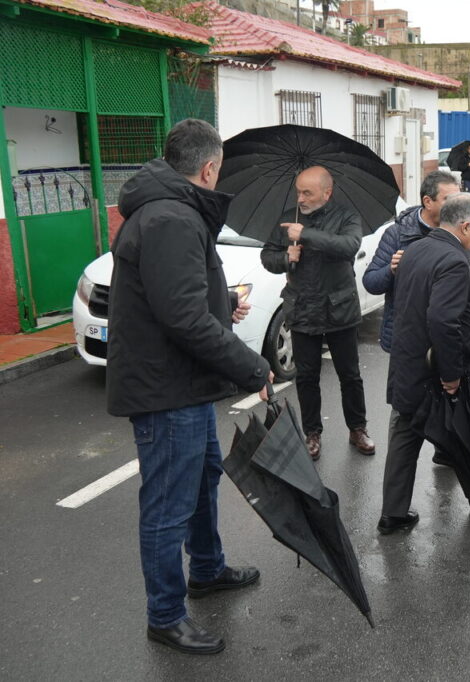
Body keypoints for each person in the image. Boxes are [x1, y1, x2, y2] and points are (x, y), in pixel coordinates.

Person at [107, 119, 271, 655]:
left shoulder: (172, 209)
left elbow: (174, 296)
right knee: (167, 505)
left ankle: (206, 568)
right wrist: (253, 366)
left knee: (202, 481)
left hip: (185, 383)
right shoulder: (171, 217)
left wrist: (224, 302)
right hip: (166, 390)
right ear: (208, 168)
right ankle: (165, 616)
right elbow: (181, 317)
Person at [377, 193, 470, 535]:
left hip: (407, 366)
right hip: (437, 372)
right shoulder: (453, 261)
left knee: (404, 437)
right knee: (465, 431)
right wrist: (451, 376)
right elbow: (443, 322)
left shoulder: (414, 249)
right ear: (464, 227)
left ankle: (393, 513)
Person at [260, 166, 374, 460]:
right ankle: (312, 433)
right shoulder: (289, 218)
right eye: (298, 192)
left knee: (349, 375)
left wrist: (306, 235)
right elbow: (267, 256)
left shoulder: (346, 217)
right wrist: (285, 257)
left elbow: (349, 246)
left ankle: (357, 429)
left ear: (327, 192)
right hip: (302, 309)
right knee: (307, 377)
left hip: (340, 308)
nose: (301, 198)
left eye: (307, 193)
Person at [362, 170, 461, 354]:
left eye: (458, 199)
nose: (457, 206)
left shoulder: (458, 232)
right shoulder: (398, 233)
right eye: (449, 200)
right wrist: (391, 269)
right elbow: (371, 282)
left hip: (443, 335)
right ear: (428, 202)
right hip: (404, 338)